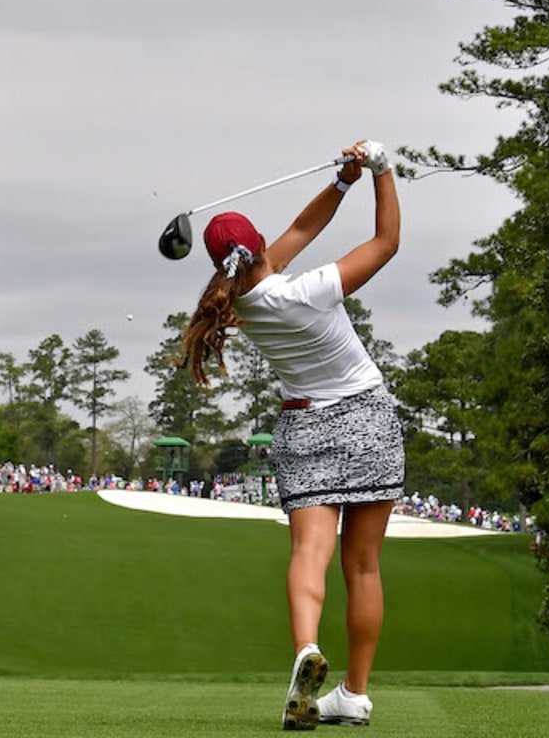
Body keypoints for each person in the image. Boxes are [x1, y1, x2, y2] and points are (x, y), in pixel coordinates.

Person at [180, 140, 400, 730]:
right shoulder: (304, 290)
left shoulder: (236, 306)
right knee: (364, 568)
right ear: (255, 246)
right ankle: (354, 693)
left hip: (304, 425)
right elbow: (385, 245)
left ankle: (306, 648)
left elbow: (304, 226)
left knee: (310, 552)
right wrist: (382, 171)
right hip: (367, 418)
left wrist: (341, 182)